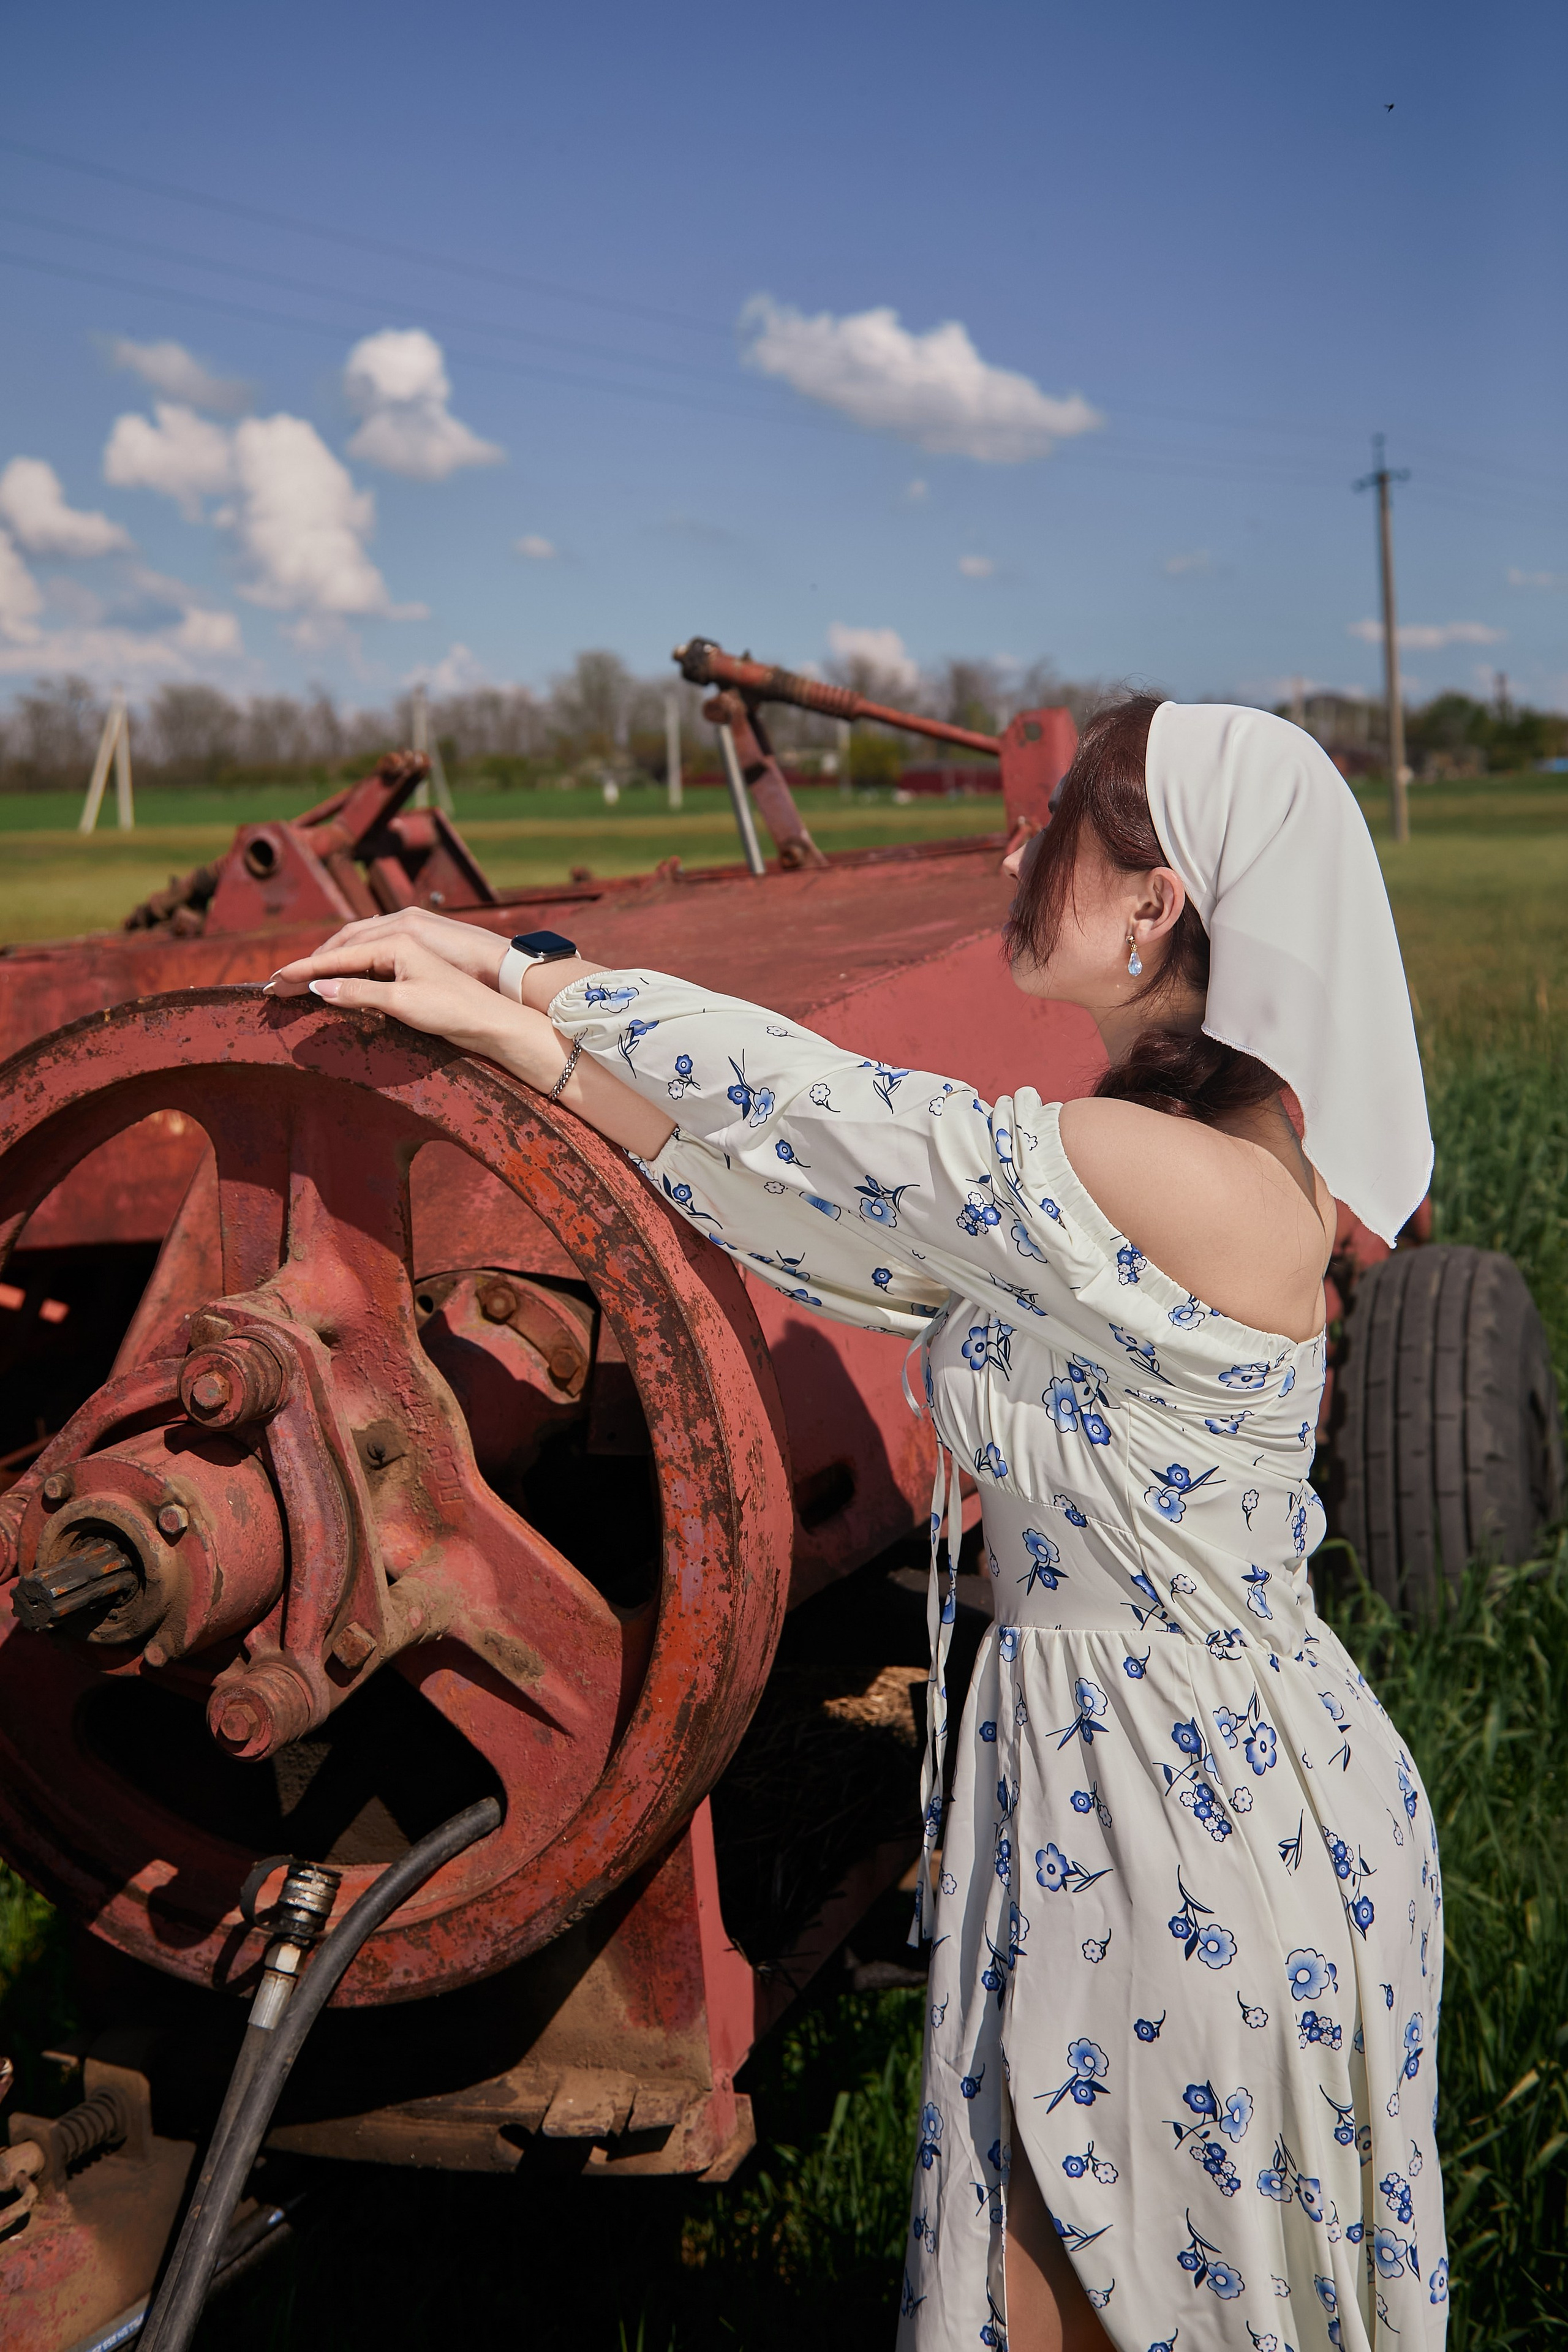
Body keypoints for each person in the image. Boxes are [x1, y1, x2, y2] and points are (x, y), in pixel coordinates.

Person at [269, 697, 1447, 2352]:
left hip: (1186, 1819)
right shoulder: (1180, 1164)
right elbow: (839, 1224)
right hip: (1151, 1780)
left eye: (1060, 841)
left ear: (1152, 907)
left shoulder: (1149, 1164)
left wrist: (524, 969)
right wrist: (537, 1057)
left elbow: (859, 1124)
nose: (1022, 859)